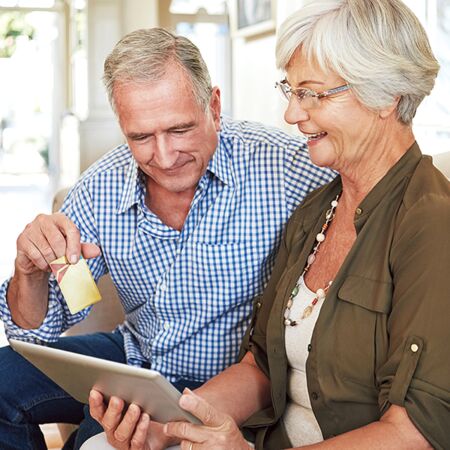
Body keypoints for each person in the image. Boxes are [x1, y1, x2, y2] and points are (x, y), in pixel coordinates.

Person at [89, 1, 450, 449]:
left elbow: (416, 432)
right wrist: (167, 427)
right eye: (292, 92)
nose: (292, 115)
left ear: (386, 95)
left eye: (312, 94)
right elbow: (260, 364)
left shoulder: (432, 223)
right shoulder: (317, 208)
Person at [0, 28, 334, 450]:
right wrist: (27, 272)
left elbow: (374, 194)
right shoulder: (101, 188)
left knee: (92, 439)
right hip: (136, 358)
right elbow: (38, 332)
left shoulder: (285, 169)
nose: (164, 156)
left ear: (213, 106)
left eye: (179, 129)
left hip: (231, 376)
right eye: (140, 137)